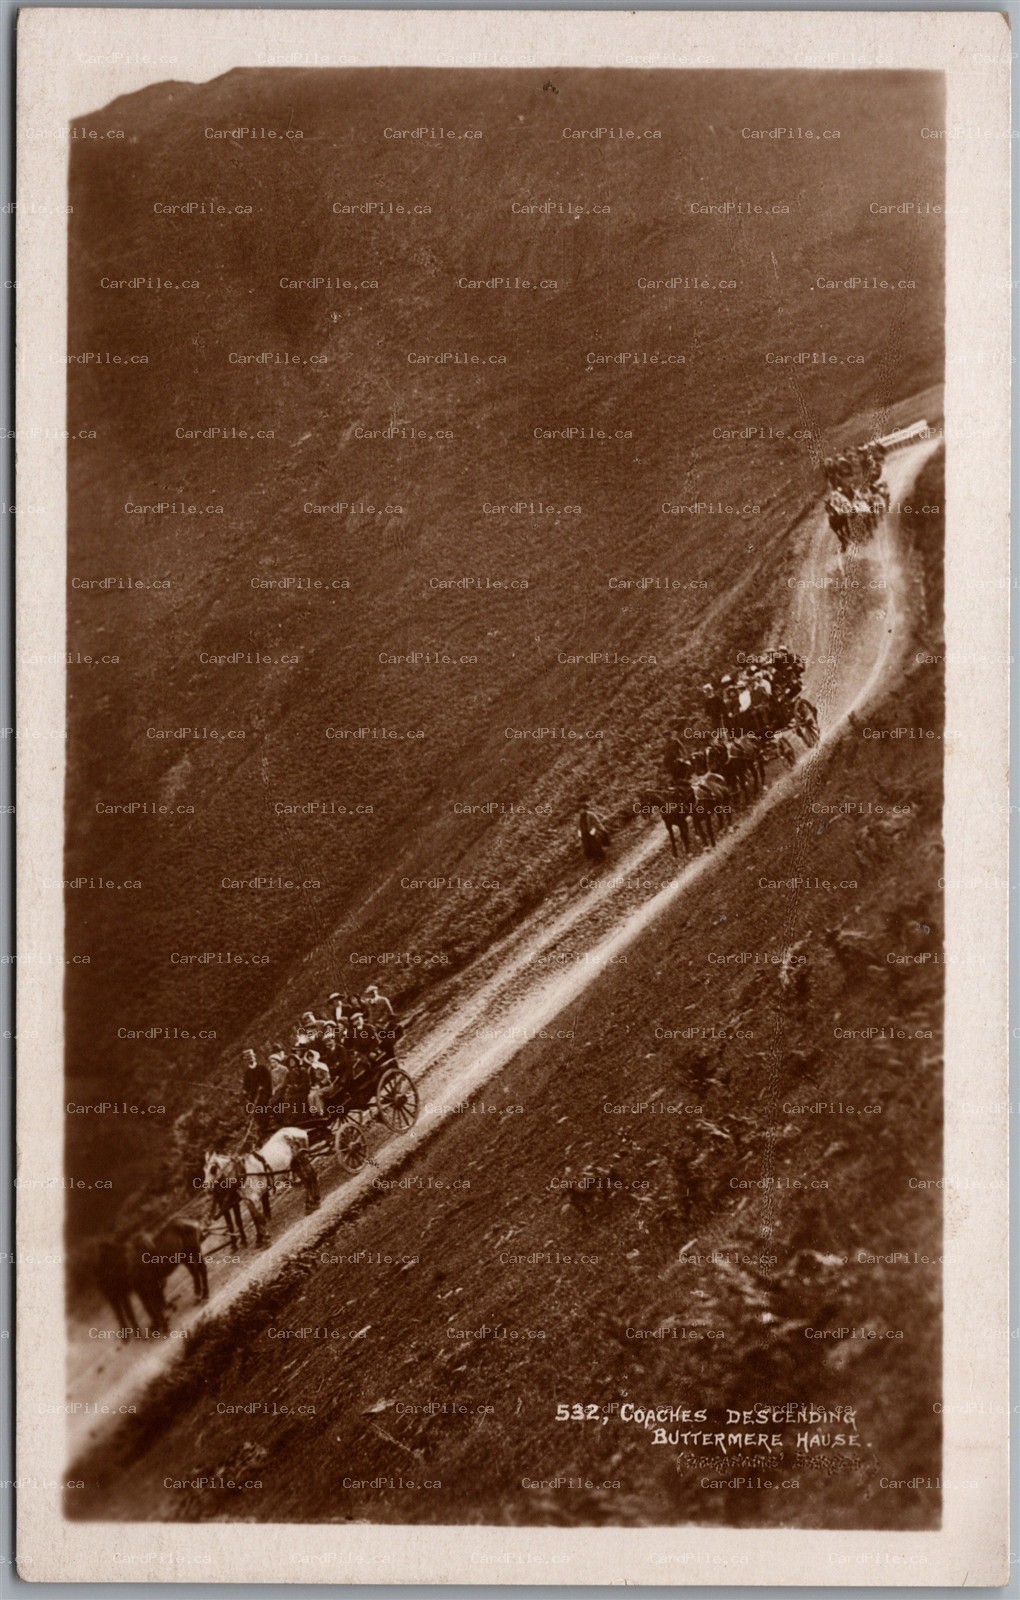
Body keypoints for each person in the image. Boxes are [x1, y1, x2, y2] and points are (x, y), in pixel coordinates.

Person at [577, 797, 609, 862]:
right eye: (579, 810)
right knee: (587, 847)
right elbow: (579, 827)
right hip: (584, 834)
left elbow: (597, 822)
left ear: (585, 809)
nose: (580, 811)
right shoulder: (579, 818)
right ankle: (595, 858)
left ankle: (601, 856)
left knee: (595, 845)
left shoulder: (590, 815)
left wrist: (601, 829)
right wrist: (579, 834)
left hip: (592, 831)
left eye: (582, 809)